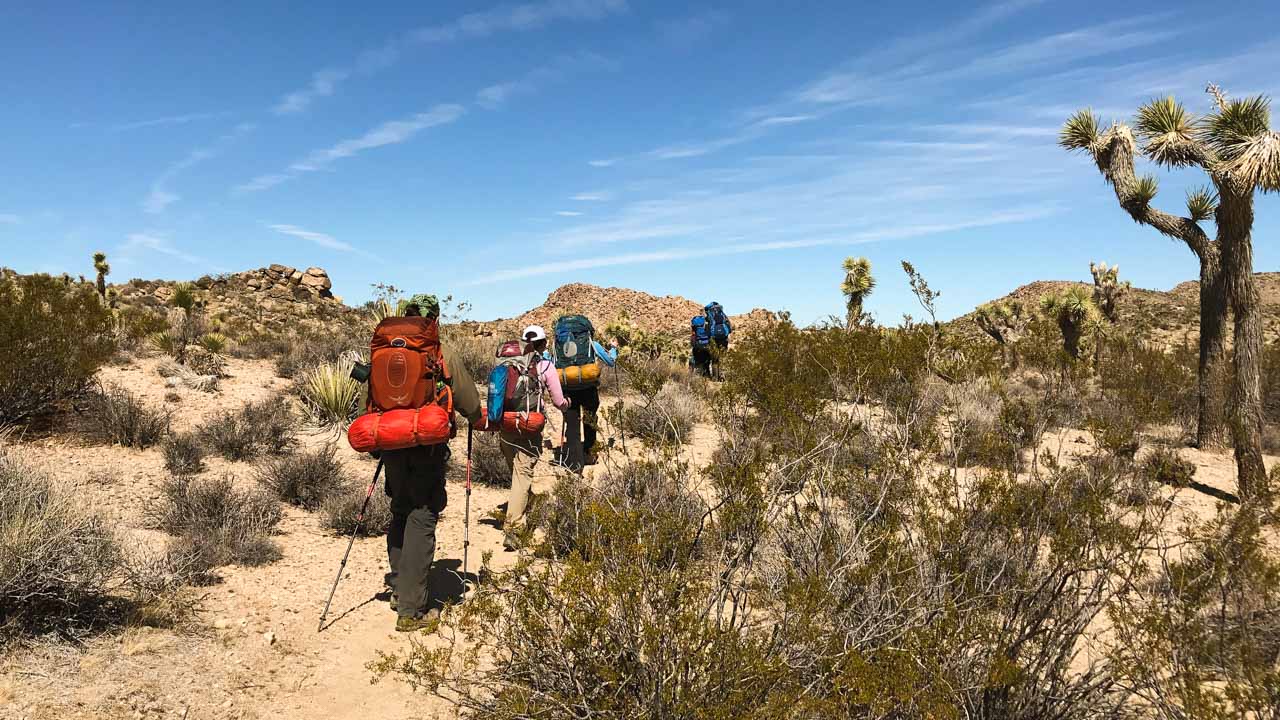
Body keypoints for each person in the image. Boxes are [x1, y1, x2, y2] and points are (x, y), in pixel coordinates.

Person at [380, 294, 481, 632]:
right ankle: (411, 610)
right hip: (427, 447)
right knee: (422, 517)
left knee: (400, 510)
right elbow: (468, 401)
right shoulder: (439, 350)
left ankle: (399, 586)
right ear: (434, 319)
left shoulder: (385, 347)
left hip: (391, 444)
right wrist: (476, 416)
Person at [499, 324, 570, 551]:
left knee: (517, 472)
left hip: (505, 424)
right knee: (522, 474)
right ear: (543, 343)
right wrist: (566, 404)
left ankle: (522, 505)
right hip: (530, 426)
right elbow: (559, 401)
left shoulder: (507, 363)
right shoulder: (545, 366)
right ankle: (514, 529)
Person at [559, 329, 618, 474]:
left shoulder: (560, 346)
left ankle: (572, 458)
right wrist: (614, 349)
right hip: (588, 389)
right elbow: (610, 361)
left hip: (568, 389)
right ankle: (589, 455)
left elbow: (550, 362)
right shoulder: (592, 344)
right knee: (590, 420)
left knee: (572, 422)